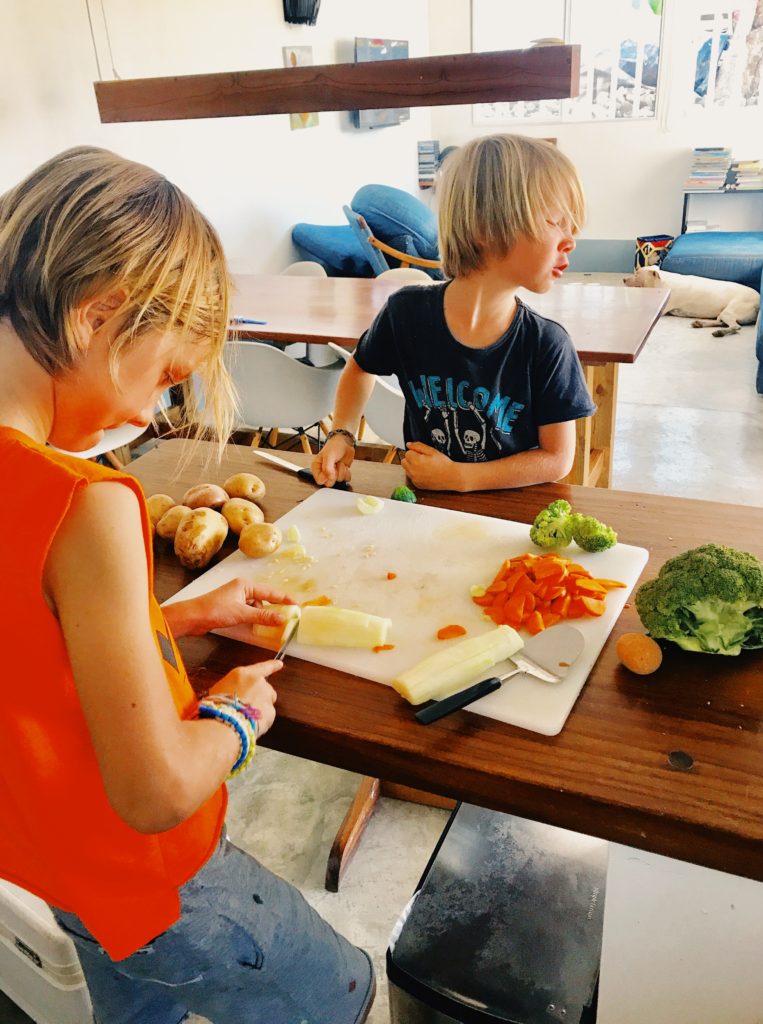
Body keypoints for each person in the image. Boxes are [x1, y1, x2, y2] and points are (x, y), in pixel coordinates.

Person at [0, 147, 374, 1024]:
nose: (144, 416)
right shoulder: (85, 503)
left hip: (51, 871)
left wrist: (184, 612)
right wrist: (238, 715)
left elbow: (29, 647)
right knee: (342, 993)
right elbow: (156, 791)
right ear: (99, 313)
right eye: (167, 376)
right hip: (160, 885)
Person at [313, 134, 596, 493]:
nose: (571, 240)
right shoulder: (405, 313)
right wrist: (342, 433)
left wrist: (462, 478)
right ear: (485, 227)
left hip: (507, 515)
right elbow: (359, 368)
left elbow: (557, 459)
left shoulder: (547, 343)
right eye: (556, 222)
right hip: (423, 507)